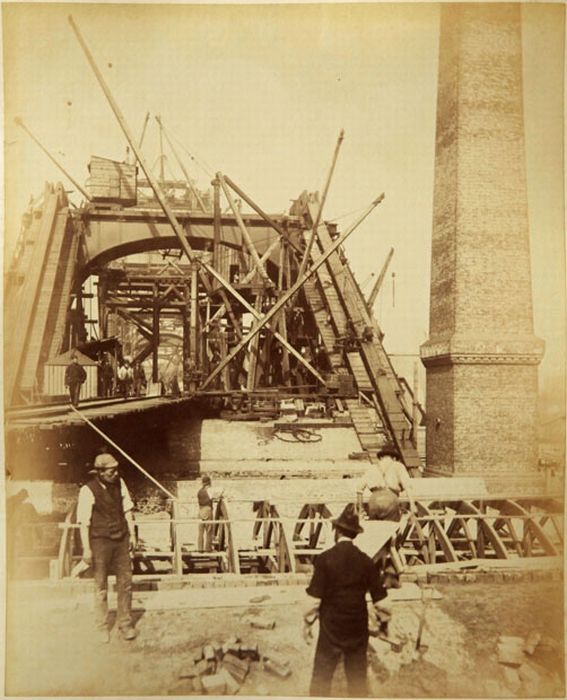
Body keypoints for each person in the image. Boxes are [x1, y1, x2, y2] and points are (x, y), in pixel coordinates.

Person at [304, 503, 388, 697]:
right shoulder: (367, 562)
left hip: (331, 627)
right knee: (357, 678)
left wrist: (307, 624)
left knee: (322, 676)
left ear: (337, 531)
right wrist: (384, 624)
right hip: (357, 628)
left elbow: (313, 600)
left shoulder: (324, 559)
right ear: (354, 535)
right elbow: (381, 602)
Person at [77, 452, 137, 643]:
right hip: (100, 541)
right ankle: (102, 626)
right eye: (112, 470)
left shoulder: (121, 483)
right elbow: (83, 523)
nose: (115, 473)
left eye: (116, 469)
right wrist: (87, 549)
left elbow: (128, 510)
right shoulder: (87, 490)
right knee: (100, 586)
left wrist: (133, 535)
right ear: (100, 472)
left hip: (121, 539)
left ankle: (125, 624)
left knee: (125, 583)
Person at [356, 446, 417, 522]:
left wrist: (360, 509)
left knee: (375, 528)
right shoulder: (398, 466)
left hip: (374, 500)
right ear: (394, 458)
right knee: (391, 528)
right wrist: (412, 504)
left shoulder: (372, 468)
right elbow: (408, 487)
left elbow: (359, 489)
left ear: (381, 457)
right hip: (390, 500)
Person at [197, 474, 223, 552]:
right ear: (209, 483)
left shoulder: (199, 491)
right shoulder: (209, 490)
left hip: (200, 510)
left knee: (200, 531)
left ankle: (200, 549)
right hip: (208, 510)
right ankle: (208, 549)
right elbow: (215, 497)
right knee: (209, 530)